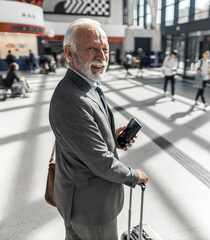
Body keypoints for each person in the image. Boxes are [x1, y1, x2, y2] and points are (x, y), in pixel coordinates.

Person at [49, 18, 149, 240]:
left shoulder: (85, 84)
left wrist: (111, 138)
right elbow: (101, 163)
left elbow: (77, 141)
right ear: (69, 52)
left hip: (79, 200)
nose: (102, 57)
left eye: (105, 49)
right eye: (92, 49)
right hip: (90, 207)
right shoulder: (72, 98)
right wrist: (134, 176)